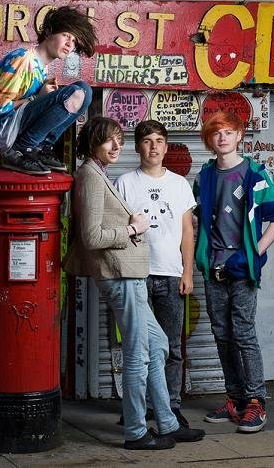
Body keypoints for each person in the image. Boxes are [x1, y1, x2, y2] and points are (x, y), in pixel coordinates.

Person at [62, 116, 205, 450]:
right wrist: (133, 229)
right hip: (121, 276)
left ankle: (167, 422)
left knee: (158, 345)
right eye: (108, 140)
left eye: (119, 140)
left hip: (131, 274)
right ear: (92, 142)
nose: (116, 146)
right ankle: (137, 432)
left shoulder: (98, 173)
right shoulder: (91, 176)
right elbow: (92, 236)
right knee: (138, 354)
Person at [194, 111, 274, 433]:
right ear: (209, 140)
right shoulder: (204, 177)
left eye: (228, 132)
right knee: (222, 335)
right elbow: (198, 219)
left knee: (244, 333)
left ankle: (256, 401)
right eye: (216, 133)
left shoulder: (254, 173)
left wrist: (255, 252)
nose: (222, 137)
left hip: (243, 268)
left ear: (239, 136)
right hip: (214, 268)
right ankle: (235, 399)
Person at [115, 120, 196, 428]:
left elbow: (187, 232)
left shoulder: (180, 184)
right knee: (137, 346)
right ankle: (139, 409)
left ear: (166, 146)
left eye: (159, 141)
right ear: (138, 146)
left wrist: (187, 273)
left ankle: (171, 406)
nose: (153, 147)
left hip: (171, 274)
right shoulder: (124, 182)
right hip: (135, 275)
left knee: (172, 347)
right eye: (147, 141)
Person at [0, 6, 97, 174]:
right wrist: (36, 98)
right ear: (49, 32)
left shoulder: (42, 67)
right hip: (2, 132)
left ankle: (42, 146)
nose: (70, 44)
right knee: (75, 93)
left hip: (16, 127)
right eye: (66, 35)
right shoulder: (23, 59)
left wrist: (42, 96)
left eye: (74, 41)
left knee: (85, 91)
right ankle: (25, 147)